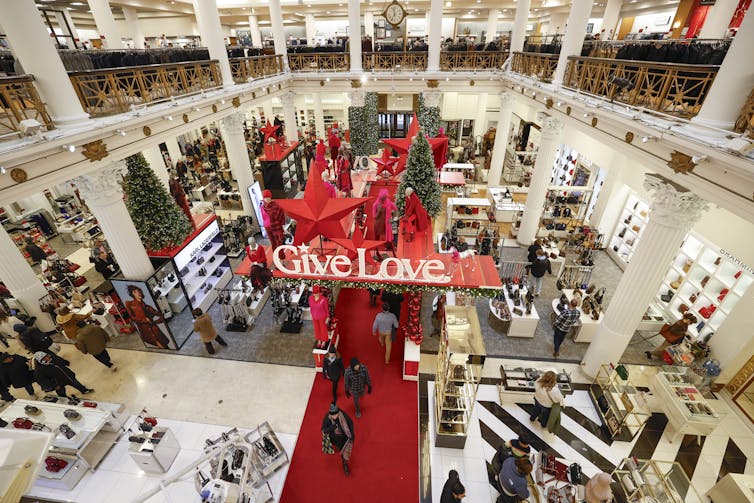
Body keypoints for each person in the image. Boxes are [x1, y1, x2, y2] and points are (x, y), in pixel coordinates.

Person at [125, 285, 171, 349]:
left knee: (165, 346)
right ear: (132, 294)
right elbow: (133, 318)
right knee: (162, 346)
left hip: (154, 330)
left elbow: (160, 314)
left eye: (139, 291)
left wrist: (157, 321)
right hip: (146, 331)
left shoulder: (148, 307)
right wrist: (145, 319)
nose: (138, 293)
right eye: (135, 292)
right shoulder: (130, 304)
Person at [321, 403, 354, 475]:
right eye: (332, 415)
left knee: (344, 453)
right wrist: (332, 427)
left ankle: (345, 464)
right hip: (334, 438)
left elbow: (350, 423)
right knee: (339, 447)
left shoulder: (343, 415)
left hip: (345, 438)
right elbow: (323, 430)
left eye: (335, 414)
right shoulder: (327, 418)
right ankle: (340, 452)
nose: (334, 416)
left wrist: (352, 433)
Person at [261, 190, 286, 255]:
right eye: (265, 197)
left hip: (276, 227)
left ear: (270, 197)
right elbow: (263, 218)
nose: (266, 199)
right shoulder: (262, 207)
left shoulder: (276, 207)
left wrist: (283, 227)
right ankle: (275, 256)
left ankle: (281, 258)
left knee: (279, 243)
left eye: (268, 197)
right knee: (273, 243)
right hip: (267, 227)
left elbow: (281, 217)